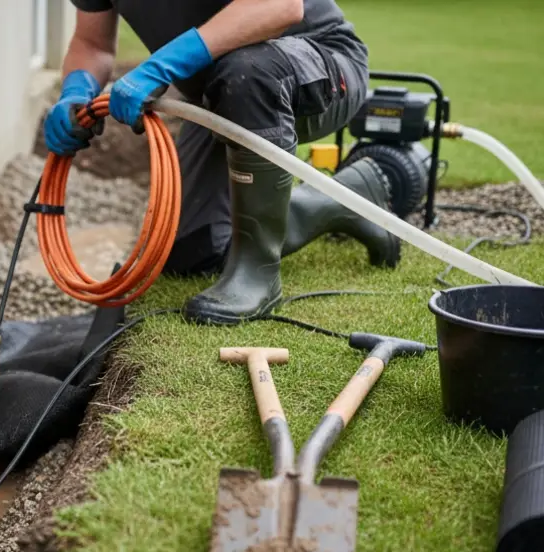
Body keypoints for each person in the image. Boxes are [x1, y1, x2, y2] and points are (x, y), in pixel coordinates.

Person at [44, 0, 402, 325]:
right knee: (191, 253)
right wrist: (75, 91)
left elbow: (280, 6)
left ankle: (258, 274)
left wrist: (161, 66)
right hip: (217, 96)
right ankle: (344, 199)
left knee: (247, 71)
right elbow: (92, 44)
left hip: (317, 63)